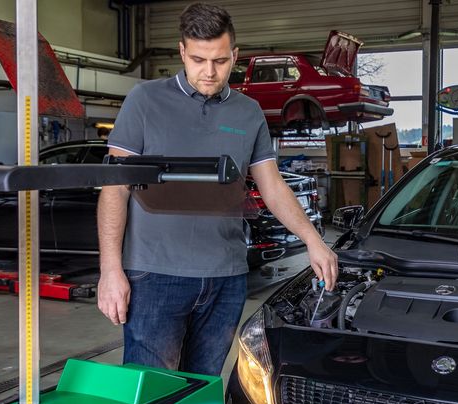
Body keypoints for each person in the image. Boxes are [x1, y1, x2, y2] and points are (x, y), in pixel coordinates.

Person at [96, 2, 337, 376]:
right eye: (198, 60)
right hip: (154, 276)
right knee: (151, 391)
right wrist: (110, 269)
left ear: (235, 55)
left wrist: (313, 240)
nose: (209, 72)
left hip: (226, 278)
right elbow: (116, 188)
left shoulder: (249, 112)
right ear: (181, 52)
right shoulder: (144, 100)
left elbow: (271, 185)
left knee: (202, 389)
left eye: (221, 61)